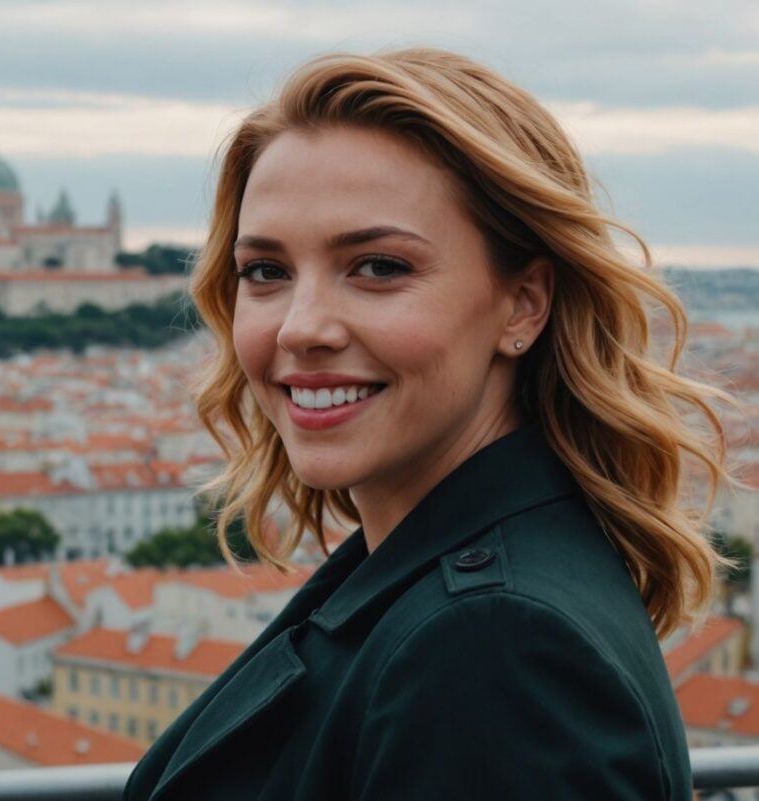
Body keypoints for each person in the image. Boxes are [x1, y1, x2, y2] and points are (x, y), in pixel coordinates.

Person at [123, 47, 737, 801]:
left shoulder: (493, 644)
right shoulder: (456, 569)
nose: (300, 328)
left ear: (523, 305)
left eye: (378, 266)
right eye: (266, 271)